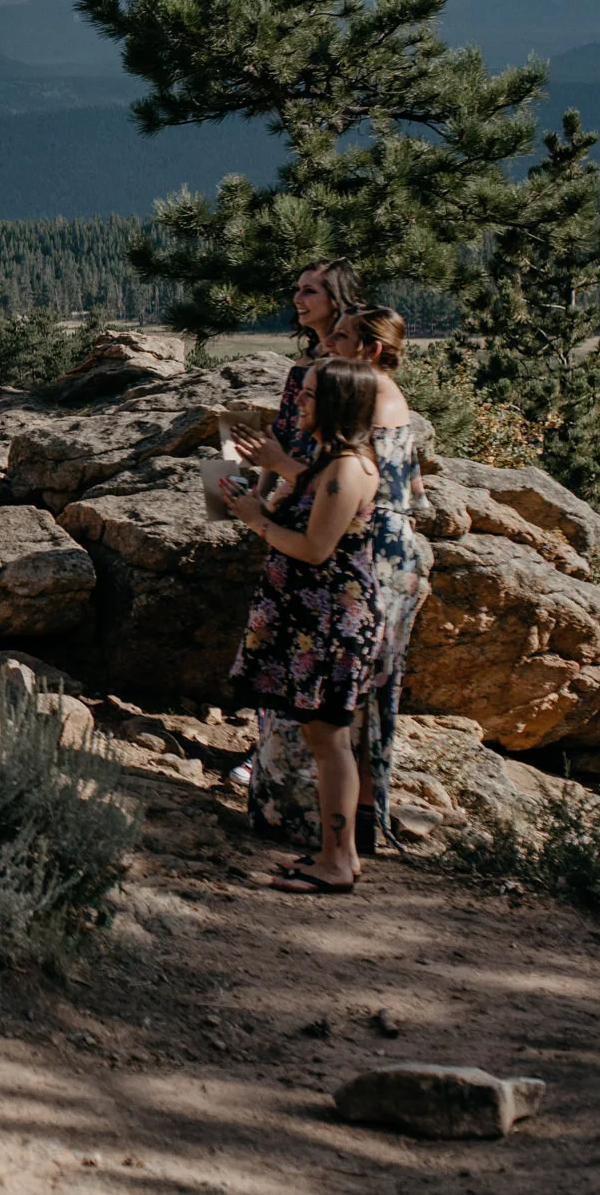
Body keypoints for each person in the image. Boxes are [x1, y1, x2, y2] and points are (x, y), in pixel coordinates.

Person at [247, 307, 432, 859]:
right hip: (380, 554)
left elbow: (341, 492)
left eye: (341, 335)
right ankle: (355, 829)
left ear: (371, 350)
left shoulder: (362, 415)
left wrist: (275, 483)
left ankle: (315, 829)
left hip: (355, 568)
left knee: (327, 707)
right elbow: (413, 488)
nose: (326, 341)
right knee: (360, 702)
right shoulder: (387, 403)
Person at [221, 356, 384, 893]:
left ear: (337, 402)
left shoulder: (346, 469)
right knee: (323, 736)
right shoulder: (326, 461)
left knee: (330, 739)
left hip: (333, 622)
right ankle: (339, 856)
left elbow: (316, 549)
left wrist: (256, 521)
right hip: (315, 617)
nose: (300, 404)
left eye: (311, 396)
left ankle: (337, 862)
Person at [226, 257, 364, 841]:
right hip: (285, 509)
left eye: (311, 291)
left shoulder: (348, 375)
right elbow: (281, 440)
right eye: (296, 290)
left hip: (321, 534)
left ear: (339, 298)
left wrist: (273, 489)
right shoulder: (303, 369)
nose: (299, 300)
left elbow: (330, 461)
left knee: (314, 682)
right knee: (279, 659)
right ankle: (275, 774)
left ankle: (316, 814)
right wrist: (250, 489)